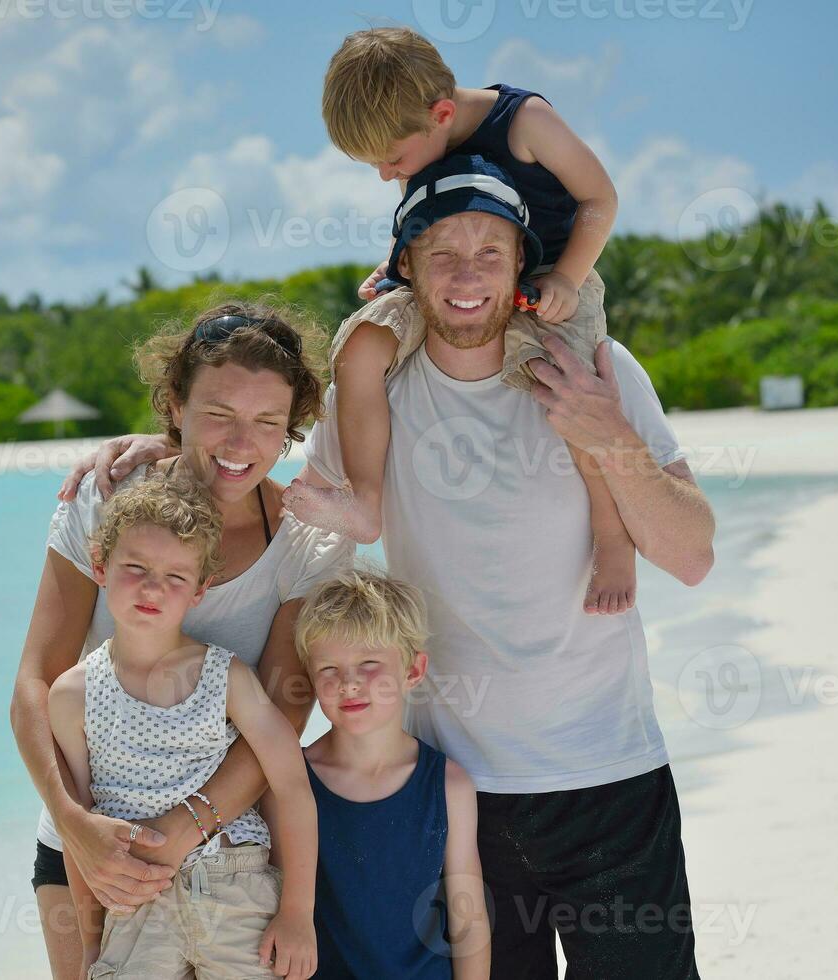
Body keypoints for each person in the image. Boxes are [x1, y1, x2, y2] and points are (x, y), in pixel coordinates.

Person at [71, 154, 716, 978]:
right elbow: (257, 466)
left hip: (609, 774)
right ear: (403, 267)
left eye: (491, 251)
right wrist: (164, 448)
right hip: (452, 795)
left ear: (523, 262)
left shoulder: (598, 368)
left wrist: (608, 433)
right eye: (441, 254)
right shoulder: (374, 388)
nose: (467, 276)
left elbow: (692, 555)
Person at [12, 302, 354, 979]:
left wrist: (183, 830)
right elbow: (35, 684)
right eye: (217, 414)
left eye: (266, 423)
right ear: (174, 403)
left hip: (230, 856)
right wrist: (77, 827)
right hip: (87, 845)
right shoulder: (103, 500)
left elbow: (282, 716)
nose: (239, 444)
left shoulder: (309, 538)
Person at [287, 26, 635, 617]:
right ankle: (365, 500)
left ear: (442, 113)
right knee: (363, 345)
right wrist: (396, 264)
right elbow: (440, 212)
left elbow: (601, 199)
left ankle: (612, 535)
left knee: (573, 387)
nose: (385, 175)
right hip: (453, 282)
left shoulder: (525, 123)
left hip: (551, 274)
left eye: (392, 161)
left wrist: (568, 278)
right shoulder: (420, 131)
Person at [49, 470, 318, 978]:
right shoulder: (71, 694)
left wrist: (298, 912)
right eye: (136, 567)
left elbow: (293, 788)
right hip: (133, 905)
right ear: (101, 567)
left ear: (200, 590)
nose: (154, 587)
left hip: (234, 886)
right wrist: (91, 947)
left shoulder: (229, 677)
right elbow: (79, 831)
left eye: (176, 577)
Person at [294, 567, 488, 979]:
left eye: (368, 663)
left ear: (413, 671)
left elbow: (468, 921)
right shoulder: (294, 782)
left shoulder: (449, 786)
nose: (348, 683)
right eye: (329, 668)